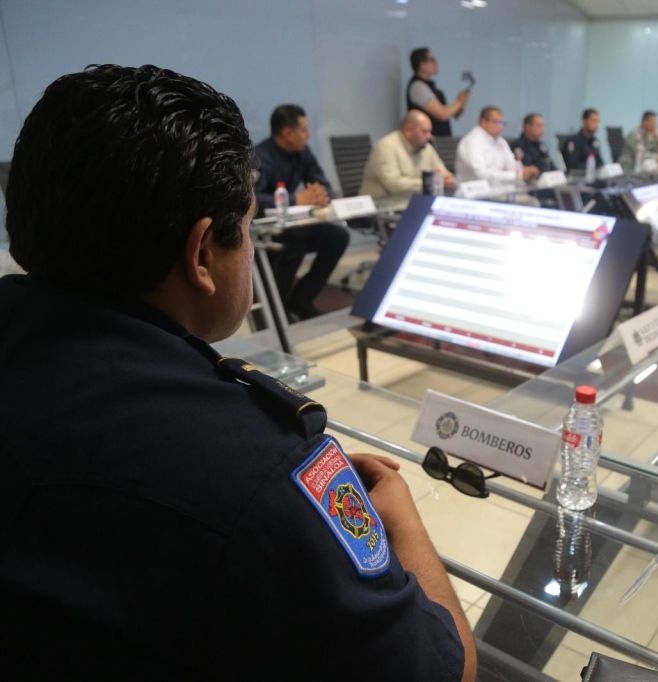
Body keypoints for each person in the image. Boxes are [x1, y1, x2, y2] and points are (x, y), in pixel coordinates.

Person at [0, 64, 475, 680]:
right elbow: (444, 671)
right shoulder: (263, 476)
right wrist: (401, 519)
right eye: (248, 227)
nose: (249, 247)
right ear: (202, 253)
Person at [253, 104, 348, 320]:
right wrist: (296, 200)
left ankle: (302, 300)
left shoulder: (302, 152)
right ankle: (277, 311)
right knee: (295, 241)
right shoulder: (260, 157)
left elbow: (322, 183)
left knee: (337, 236)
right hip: (264, 231)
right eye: (304, 130)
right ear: (287, 133)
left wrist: (321, 195)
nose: (308, 135)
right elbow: (252, 200)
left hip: (292, 226)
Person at [360, 110, 454, 204]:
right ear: (409, 129)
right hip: (384, 207)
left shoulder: (427, 148)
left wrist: (449, 179)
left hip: (415, 204)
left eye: (430, 132)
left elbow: (444, 173)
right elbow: (393, 184)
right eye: (424, 131)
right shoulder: (386, 147)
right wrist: (430, 183)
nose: (429, 136)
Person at [455, 106, 538, 186]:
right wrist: (515, 176)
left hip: (500, 189)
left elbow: (511, 165)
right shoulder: (472, 141)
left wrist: (524, 171)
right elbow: (480, 173)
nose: (501, 126)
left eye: (502, 123)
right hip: (476, 192)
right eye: (497, 122)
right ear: (483, 122)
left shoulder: (501, 141)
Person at [406, 47, 469, 138]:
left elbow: (454, 115)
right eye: (432, 59)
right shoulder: (417, 87)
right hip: (427, 142)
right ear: (422, 65)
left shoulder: (432, 88)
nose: (436, 62)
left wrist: (461, 103)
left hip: (440, 140)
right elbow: (442, 114)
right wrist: (459, 102)